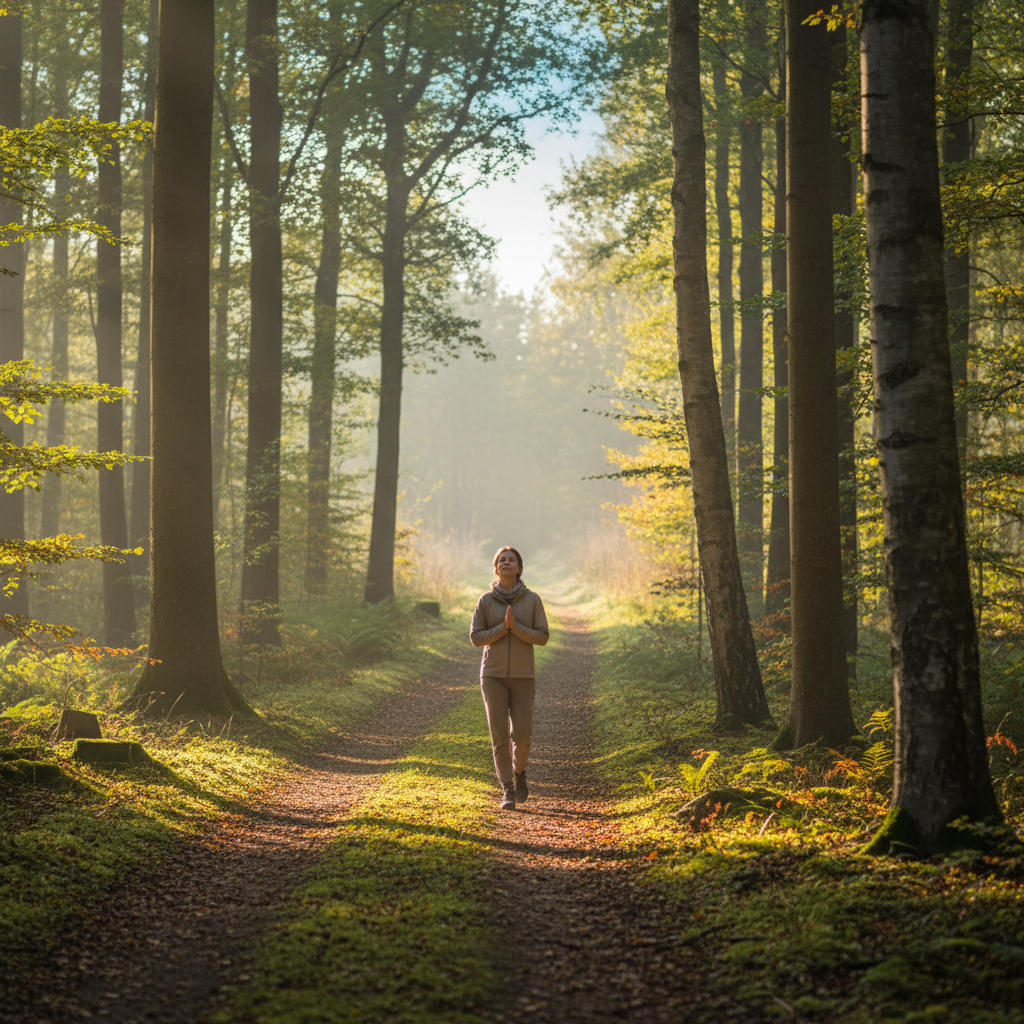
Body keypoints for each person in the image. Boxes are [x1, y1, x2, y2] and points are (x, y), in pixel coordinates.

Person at [470, 545, 549, 810]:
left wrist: (517, 629)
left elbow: (542, 636)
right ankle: (507, 790)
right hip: (492, 676)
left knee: (522, 737)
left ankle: (520, 772)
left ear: (519, 568)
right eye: (501, 560)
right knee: (500, 737)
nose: (506, 563)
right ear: (496, 568)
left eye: (511, 560)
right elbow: (475, 638)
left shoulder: (533, 600)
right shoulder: (485, 600)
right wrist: (503, 629)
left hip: (523, 676)